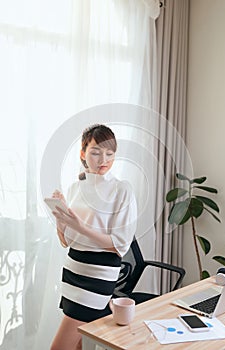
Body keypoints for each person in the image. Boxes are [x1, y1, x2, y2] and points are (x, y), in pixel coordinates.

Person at [50, 124, 137, 350]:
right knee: (78, 343)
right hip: (73, 272)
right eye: (96, 152)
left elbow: (120, 246)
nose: (103, 159)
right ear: (83, 153)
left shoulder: (122, 190)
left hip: (97, 277)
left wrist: (79, 226)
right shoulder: (74, 188)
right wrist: (61, 220)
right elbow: (66, 241)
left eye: (109, 153)